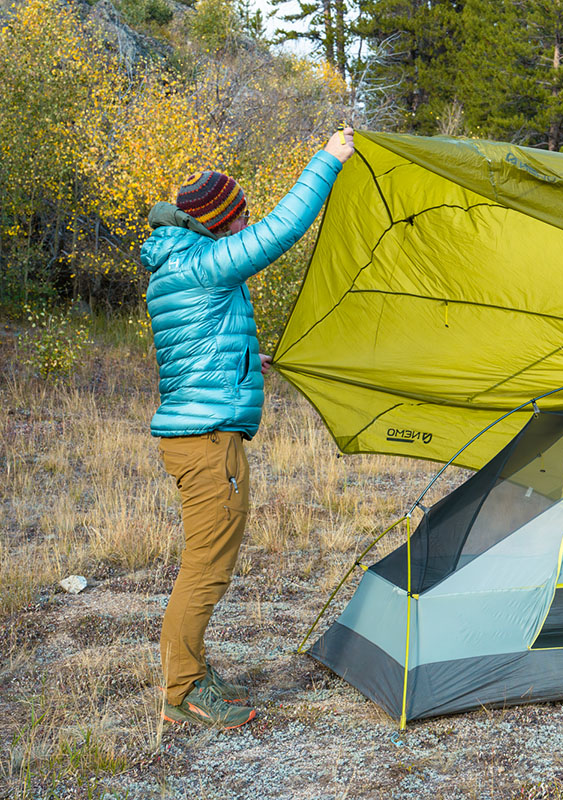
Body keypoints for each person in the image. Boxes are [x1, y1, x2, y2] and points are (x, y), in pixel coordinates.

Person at [142, 128, 355, 728]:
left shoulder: (176, 263)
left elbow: (191, 348)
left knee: (206, 558)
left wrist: (243, 360)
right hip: (207, 442)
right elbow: (282, 230)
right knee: (207, 565)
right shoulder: (207, 266)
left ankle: (191, 673)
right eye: (238, 220)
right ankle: (183, 693)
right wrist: (327, 160)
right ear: (217, 222)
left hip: (196, 433)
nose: (244, 227)